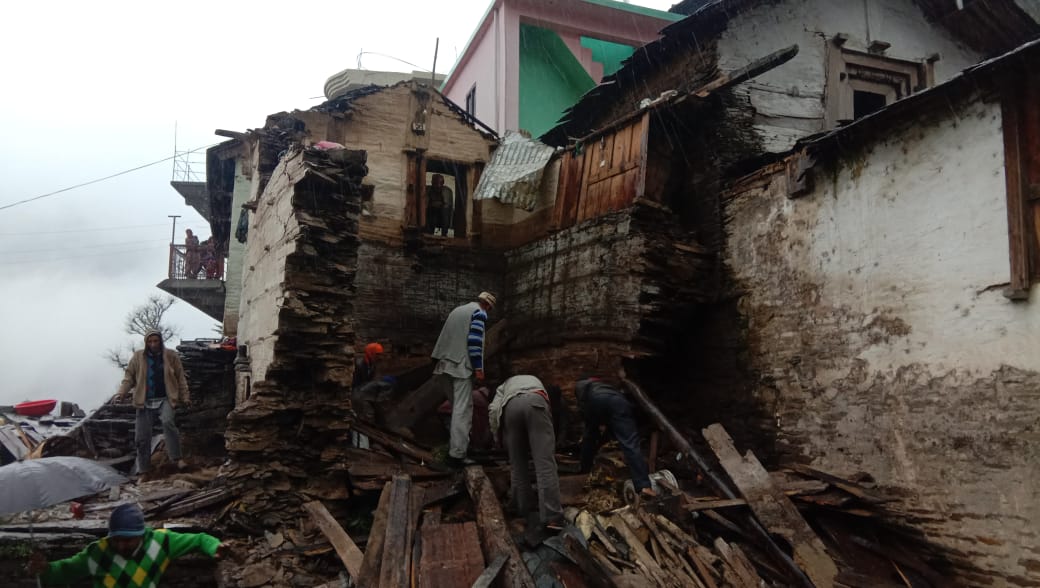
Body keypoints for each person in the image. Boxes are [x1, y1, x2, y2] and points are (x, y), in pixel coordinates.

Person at [27, 503, 228, 587]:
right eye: (117, 539)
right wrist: (45, 569)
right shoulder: (98, 552)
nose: (121, 546)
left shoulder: (161, 542)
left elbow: (199, 539)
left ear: (141, 534)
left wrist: (214, 547)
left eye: (128, 540)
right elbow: (64, 572)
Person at [488, 375, 563, 530]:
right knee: (545, 465)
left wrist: (497, 437)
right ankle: (552, 517)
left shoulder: (504, 386)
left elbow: (494, 409)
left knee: (517, 464)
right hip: (536, 402)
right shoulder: (535, 380)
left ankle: (523, 508)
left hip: (511, 408)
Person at [431, 291, 496, 468]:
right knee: (463, 410)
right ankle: (457, 455)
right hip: (460, 366)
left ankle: (461, 446)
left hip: (443, 364)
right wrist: (478, 368)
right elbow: (474, 341)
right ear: (488, 306)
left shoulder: (457, 311)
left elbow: (443, 337)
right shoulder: (479, 313)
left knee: (457, 408)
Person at [116, 329, 189, 473]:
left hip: (166, 398)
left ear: (160, 341)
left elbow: (181, 378)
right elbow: (129, 377)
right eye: (150, 341)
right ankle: (144, 469)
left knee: (168, 422)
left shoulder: (171, 356)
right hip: (145, 400)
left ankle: (177, 458)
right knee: (141, 437)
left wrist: (185, 397)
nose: (153, 344)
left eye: (156, 341)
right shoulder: (138, 357)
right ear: (146, 343)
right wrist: (121, 393)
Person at [576, 376, 655, 497]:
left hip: (594, 402)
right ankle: (644, 485)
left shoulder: (581, 387)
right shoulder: (605, 385)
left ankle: (585, 468)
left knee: (590, 435)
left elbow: (586, 411)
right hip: (618, 402)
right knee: (630, 443)